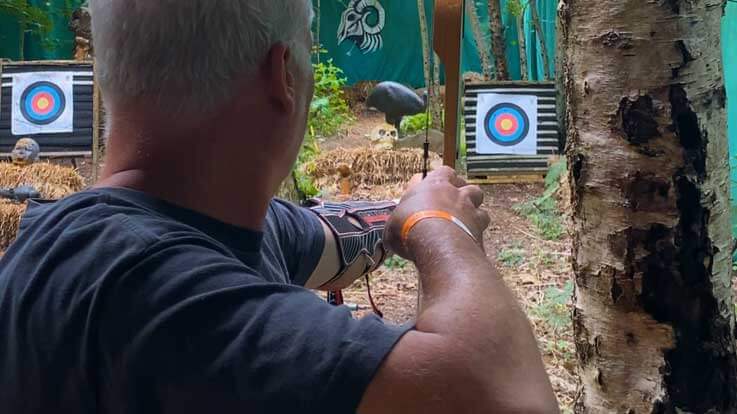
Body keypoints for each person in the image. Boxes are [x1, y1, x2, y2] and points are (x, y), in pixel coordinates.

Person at [0, 1, 559, 413]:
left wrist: (403, 212)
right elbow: (504, 394)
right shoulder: (161, 298)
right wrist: (442, 228)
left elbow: (325, 237)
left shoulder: (137, 232)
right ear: (283, 76)